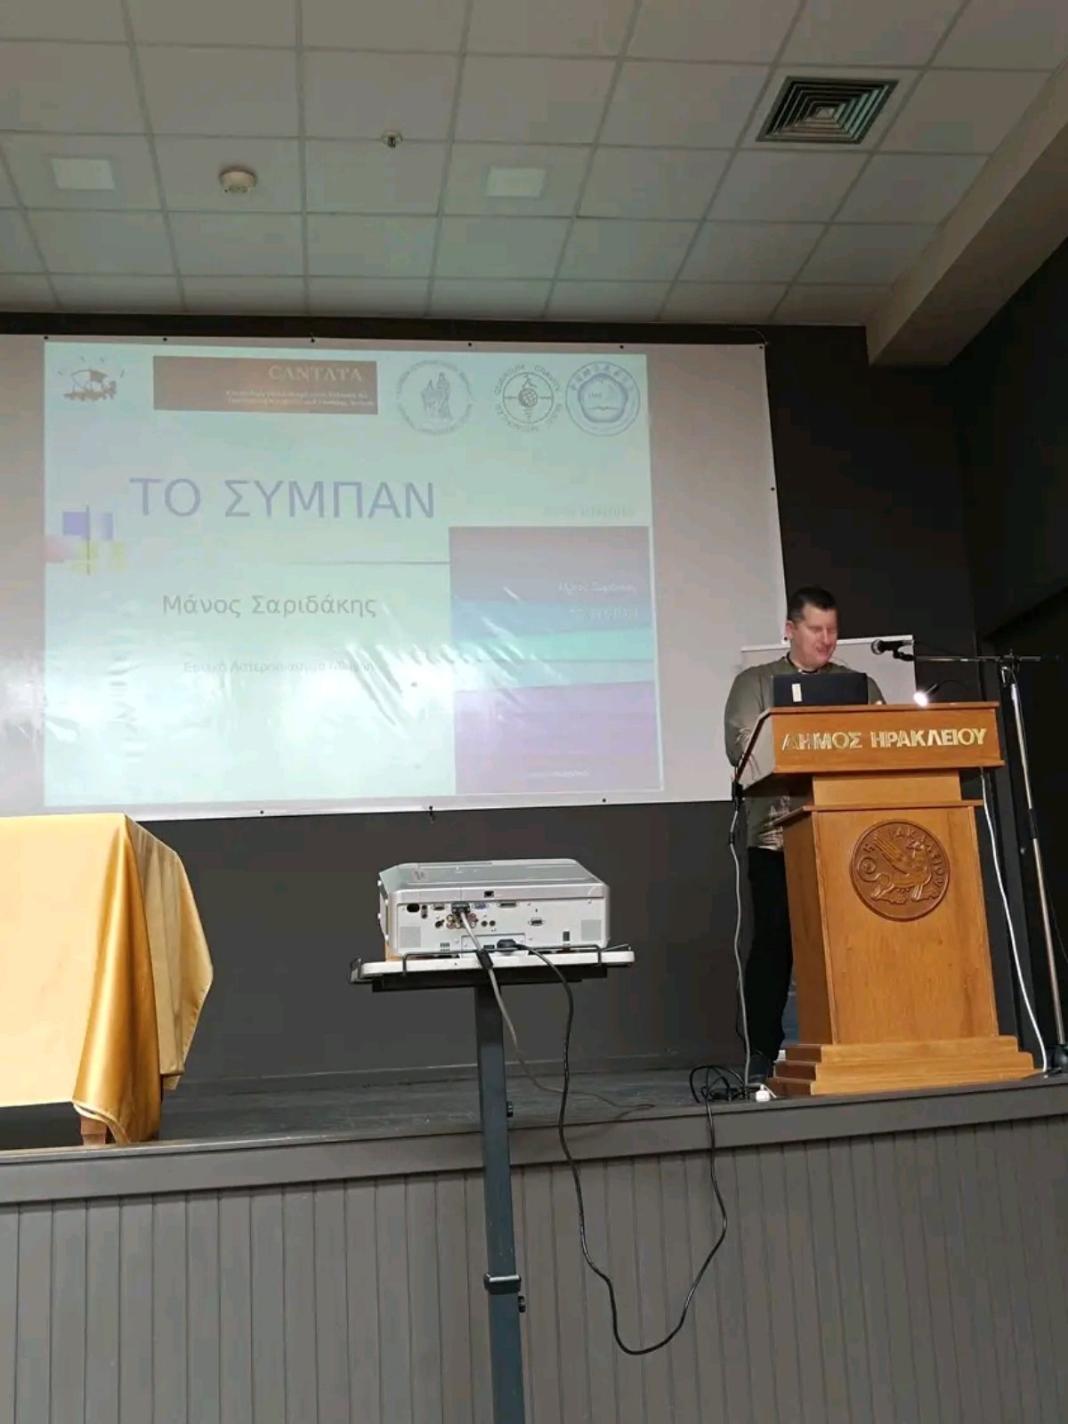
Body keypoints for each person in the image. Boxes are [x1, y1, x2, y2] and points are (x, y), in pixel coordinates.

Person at [723, 586, 884, 1080]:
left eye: (833, 630)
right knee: (775, 944)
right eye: (816, 629)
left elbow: (884, 741)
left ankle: (861, 1042)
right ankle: (763, 1055)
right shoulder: (755, 682)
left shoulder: (858, 685)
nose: (827, 640)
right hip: (777, 839)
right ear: (791, 630)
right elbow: (743, 749)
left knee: (853, 942)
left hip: (848, 838)